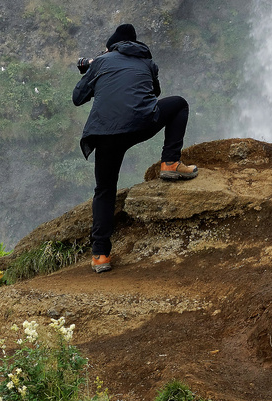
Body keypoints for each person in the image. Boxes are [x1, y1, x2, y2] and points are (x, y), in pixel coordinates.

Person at [72, 23, 197, 273]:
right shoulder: (148, 63)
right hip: (142, 124)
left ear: (110, 47)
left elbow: (78, 98)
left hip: (106, 133)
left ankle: (100, 255)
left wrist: (95, 68)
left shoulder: (101, 62)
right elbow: (154, 92)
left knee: (105, 190)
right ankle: (170, 162)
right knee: (179, 104)